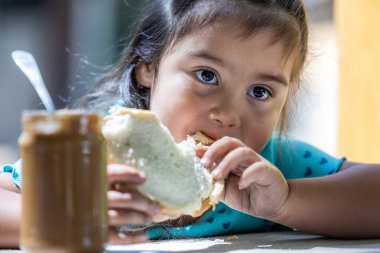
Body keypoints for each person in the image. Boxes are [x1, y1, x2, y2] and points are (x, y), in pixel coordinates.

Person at [1, 0, 380, 248]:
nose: (229, 114)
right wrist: (67, 216)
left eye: (261, 92)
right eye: (207, 75)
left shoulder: (272, 167)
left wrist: (287, 202)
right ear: (149, 69)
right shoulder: (98, 151)